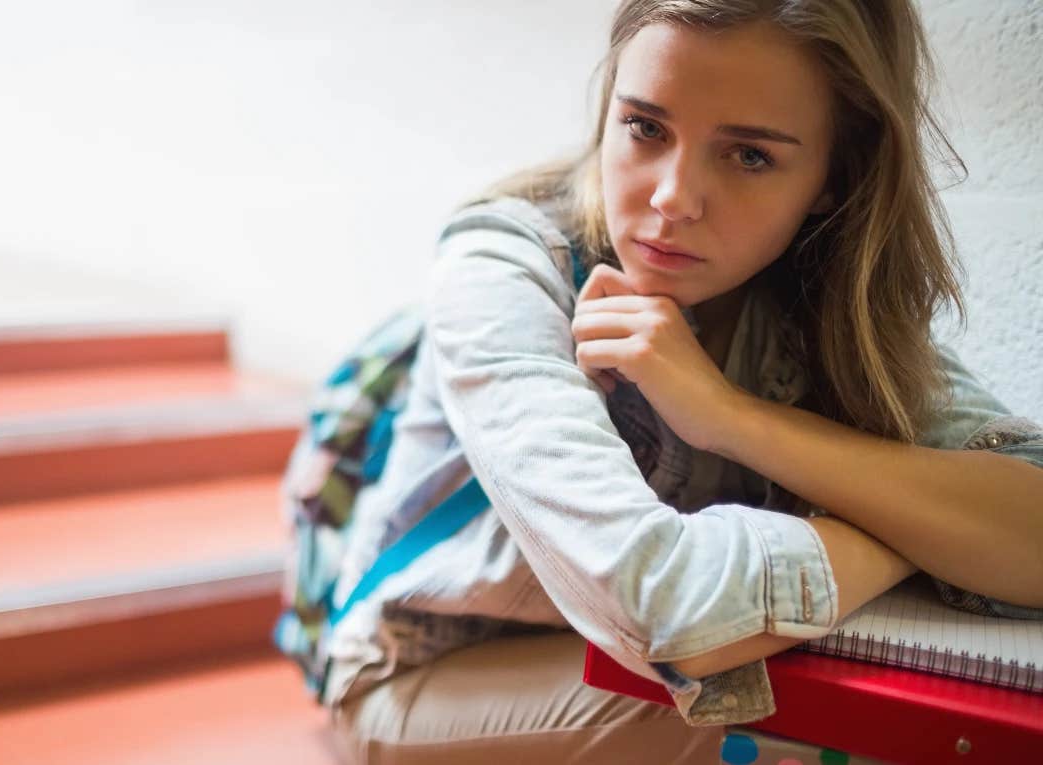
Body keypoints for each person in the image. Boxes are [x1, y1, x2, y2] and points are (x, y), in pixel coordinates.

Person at [319, 0, 1043, 762]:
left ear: (835, 177)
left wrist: (730, 416)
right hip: (427, 671)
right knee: (840, 742)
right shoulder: (505, 265)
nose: (671, 199)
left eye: (749, 156)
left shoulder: (820, 300)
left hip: (634, 668)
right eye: (646, 128)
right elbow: (665, 607)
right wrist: (905, 525)